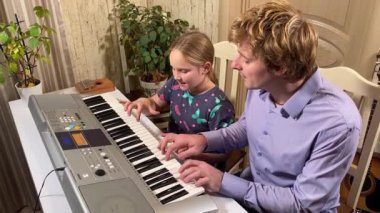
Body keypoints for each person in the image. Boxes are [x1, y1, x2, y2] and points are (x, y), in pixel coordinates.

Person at [158, 1, 361, 212]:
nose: (234, 64)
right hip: (250, 190)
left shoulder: (339, 123)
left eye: (245, 59)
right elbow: (247, 128)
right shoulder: (263, 85)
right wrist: (202, 140)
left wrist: (222, 181)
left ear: (280, 67)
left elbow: (302, 204)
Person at [123, 31, 235, 167]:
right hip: (171, 154)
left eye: (183, 71)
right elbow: (156, 102)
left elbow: (224, 153)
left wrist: (191, 153)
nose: (176, 76)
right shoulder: (176, 84)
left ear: (205, 68)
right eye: (173, 69)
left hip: (199, 167)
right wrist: (146, 102)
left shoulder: (219, 105)